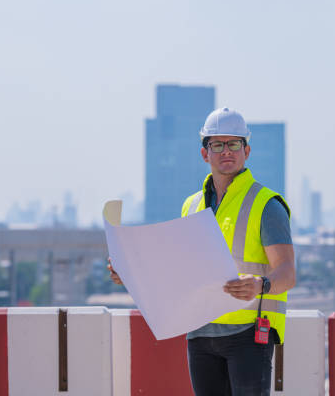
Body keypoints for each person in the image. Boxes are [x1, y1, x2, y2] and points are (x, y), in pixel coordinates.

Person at [108, 107, 296, 395]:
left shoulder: (266, 205)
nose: (226, 151)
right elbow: (179, 270)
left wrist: (261, 285)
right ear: (204, 153)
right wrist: (130, 272)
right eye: (217, 145)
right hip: (200, 332)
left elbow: (287, 272)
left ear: (247, 150)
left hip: (247, 332)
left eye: (233, 144)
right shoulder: (191, 205)